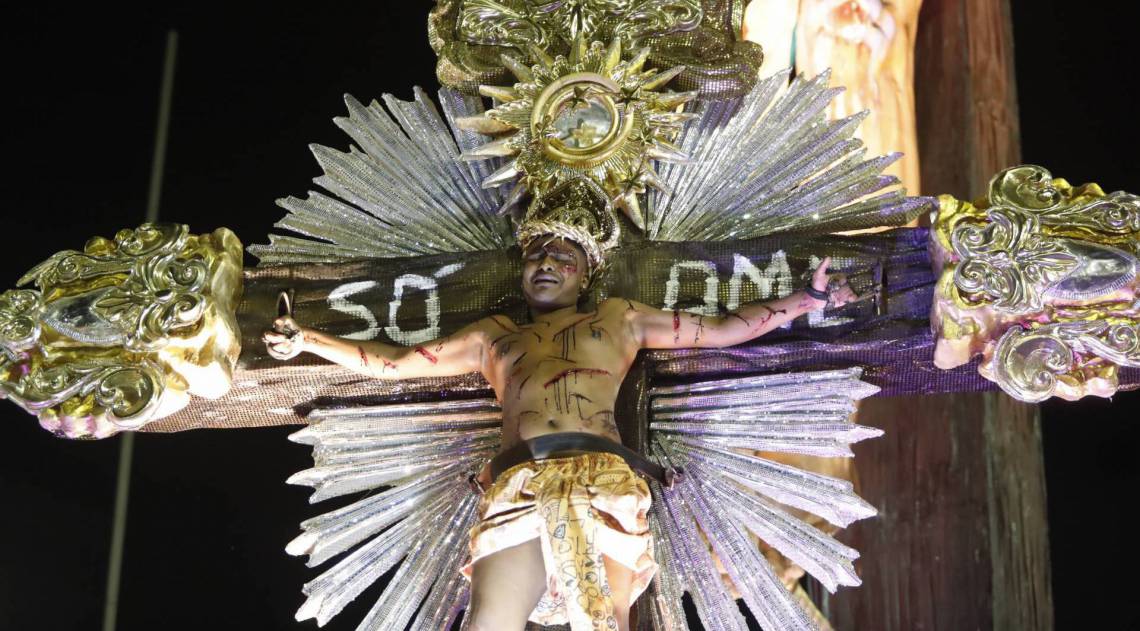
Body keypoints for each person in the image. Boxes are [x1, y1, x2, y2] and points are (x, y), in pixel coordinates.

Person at [264, 234, 856, 631]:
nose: (545, 265)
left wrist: (806, 298)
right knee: (487, 622)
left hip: (602, 478)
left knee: (603, 621)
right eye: (536, 257)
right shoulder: (494, 337)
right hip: (518, 483)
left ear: (586, 274)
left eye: (562, 257)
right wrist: (309, 341)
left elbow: (724, 330)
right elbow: (395, 362)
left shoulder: (619, 319)